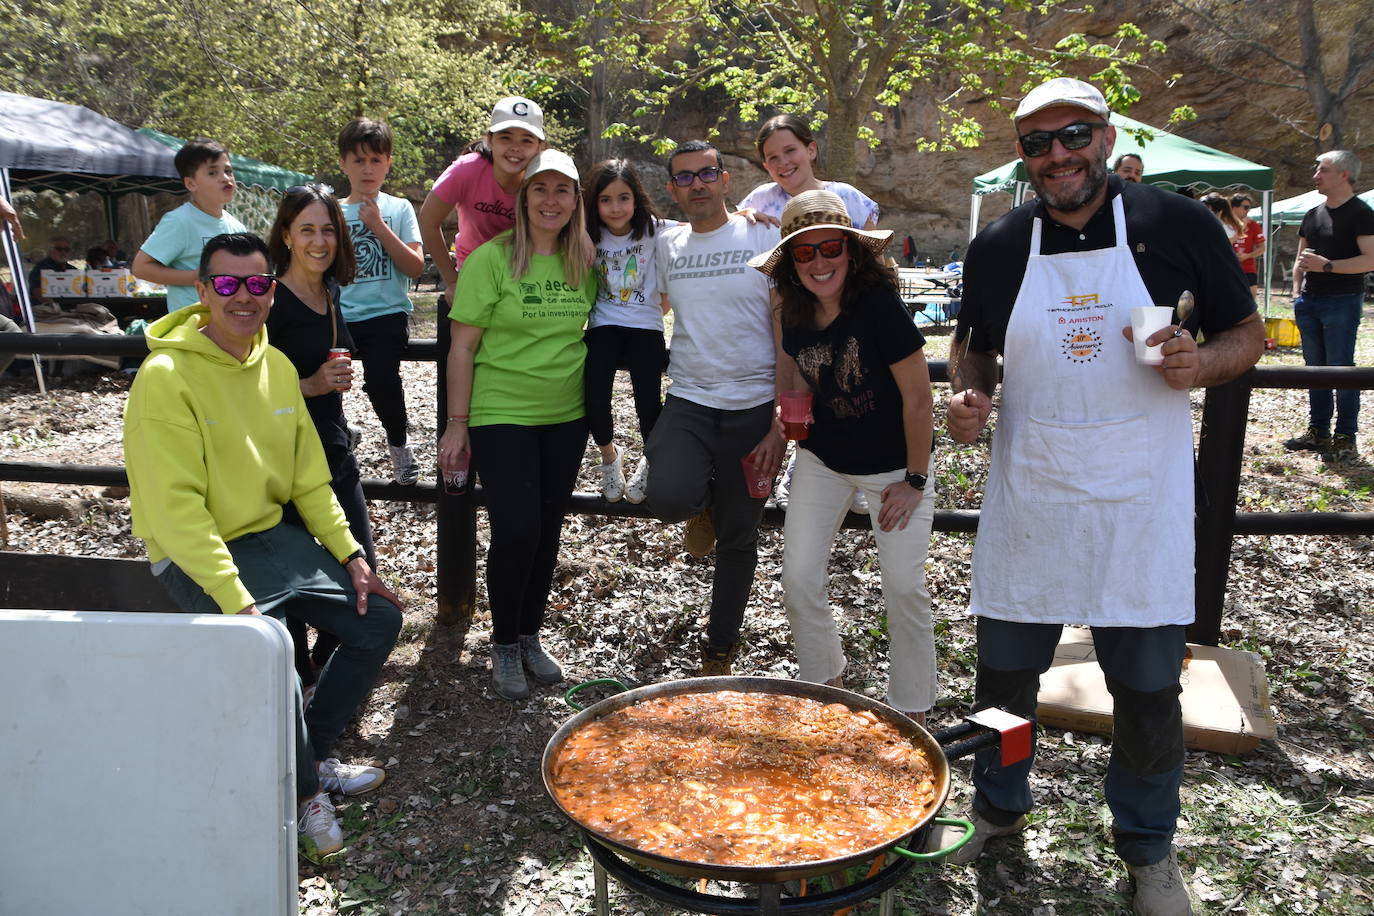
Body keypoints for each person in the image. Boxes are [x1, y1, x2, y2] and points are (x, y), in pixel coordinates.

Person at [930, 78, 1263, 916]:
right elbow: (975, 349)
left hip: (1137, 496)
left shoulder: (1176, 224)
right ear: (1022, 155)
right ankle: (999, 807)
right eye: (1037, 143)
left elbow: (1248, 333)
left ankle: (1148, 848)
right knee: (1004, 679)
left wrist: (1203, 364)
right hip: (1034, 489)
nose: (1057, 155)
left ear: (1106, 138)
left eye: (1073, 135)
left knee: (1149, 687)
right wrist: (968, 401)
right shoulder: (1001, 244)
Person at [123, 232, 403, 856]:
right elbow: (176, 511)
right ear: (200, 292)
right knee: (267, 650)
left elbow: (309, 479)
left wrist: (352, 556)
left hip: (270, 535)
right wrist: (235, 603)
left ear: (271, 293)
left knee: (377, 617)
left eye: (255, 284)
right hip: (196, 551)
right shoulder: (165, 377)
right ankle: (303, 795)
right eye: (225, 284)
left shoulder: (274, 365)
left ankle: (307, 762)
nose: (242, 296)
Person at [748, 190, 937, 723]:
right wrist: (778, 431)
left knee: (903, 588)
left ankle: (912, 710)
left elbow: (920, 398)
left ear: (852, 251)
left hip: (895, 467)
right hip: (823, 459)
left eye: (829, 248)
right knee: (799, 577)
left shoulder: (879, 307)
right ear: (790, 262)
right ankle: (824, 685)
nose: (819, 263)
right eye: (803, 253)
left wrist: (915, 479)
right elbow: (789, 368)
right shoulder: (792, 304)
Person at [436, 150, 595, 701]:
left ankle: (530, 635)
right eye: (540, 189)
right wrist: (457, 426)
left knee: (548, 528)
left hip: (566, 415)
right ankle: (503, 644)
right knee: (517, 528)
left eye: (563, 190)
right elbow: (462, 348)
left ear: (576, 201)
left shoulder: (584, 261)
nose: (551, 200)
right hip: (501, 413)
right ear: (523, 198)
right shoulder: (492, 260)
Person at [646, 140, 785, 676]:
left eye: (707, 174)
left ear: (727, 180)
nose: (697, 184)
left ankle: (719, 647)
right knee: (667, 497)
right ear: (673, 190)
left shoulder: (764, 232)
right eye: (685, 178)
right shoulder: (667, 245)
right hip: (689, 399)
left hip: (753, 407)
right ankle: (700, 498)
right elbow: (640, 304)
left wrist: (781, 416)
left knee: (738, 537)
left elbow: (784, 323)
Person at [265, 184, 377, 696]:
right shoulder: (267, 300)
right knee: (290, 572)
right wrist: (309, 383)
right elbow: (245, 381)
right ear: (286, 234)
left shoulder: (329, 295)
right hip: (279, 456)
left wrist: (332, 378)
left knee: (358, 561)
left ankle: (324, 668)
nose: (318, 240)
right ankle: (297, 683)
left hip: (331, 447)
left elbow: (337, 358)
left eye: (327, 229)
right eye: (307, 229)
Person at [738, 113, 878, 512]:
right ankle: (801, 460)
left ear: (811, 149)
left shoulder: (848, 197)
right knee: (796, 378)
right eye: (771, 157)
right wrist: (742, 217)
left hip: (844, 306)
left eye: (790, 150)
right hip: (789, 304)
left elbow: (871, 256)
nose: (782, 163)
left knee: (851, 382)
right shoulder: (759, 200)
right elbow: (733, 228)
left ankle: (859, 470)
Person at [336, 118, 426, 485]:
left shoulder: (399, 208)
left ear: (389, 163)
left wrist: (378, 226)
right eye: (359, 161)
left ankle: (399, 446)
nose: (368, 169)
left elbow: (415, 266)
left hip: (386, 314)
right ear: (343, 164)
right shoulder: (331, 211)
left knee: (381, 379)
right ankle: (341, 434)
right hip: (339, 315)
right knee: (321, 378)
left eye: (376, 160)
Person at [583, 159, 671, 504]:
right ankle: (609, 457)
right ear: (595, 203)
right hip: (604, 323)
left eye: (623, 198)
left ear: (636, 199)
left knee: (649, 405)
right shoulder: (588, 232)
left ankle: (649, 462)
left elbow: (704, 227)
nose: (615, 207)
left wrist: (742, 216)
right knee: (594, 399)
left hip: (645, 327)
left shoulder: (657, 229)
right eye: (606, 199)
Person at [1283, 150, 1374, 461]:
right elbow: (1301, 258)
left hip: (1342, 301)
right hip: (1308, 302)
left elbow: (1370, 260)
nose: (1315, 176)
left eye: (1323, 170)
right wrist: (1297, 292)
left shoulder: (1361, 214)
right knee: (1314, 370)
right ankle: (1318, 431)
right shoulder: (1311, 214)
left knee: (1341, 370)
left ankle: (1346, 437)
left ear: (1344, 175)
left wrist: (1328, 266)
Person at [418, 97, 546, 298]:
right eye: (506, 137)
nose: (515, 147)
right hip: (473, 274)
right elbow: (428, 220)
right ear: (490, 140)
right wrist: (452, 282)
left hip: (526, 277)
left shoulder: (545, 179)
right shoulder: (466, 170)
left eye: (527, 140)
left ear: (539, 147)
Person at [132, 138, 247, 311]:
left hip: (229, 324)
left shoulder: (237, 228)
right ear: (191, 184)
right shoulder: (179, 221)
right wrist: (197, 277)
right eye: (212, 173)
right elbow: (141, 268)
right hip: (190, 329)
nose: (225, 178)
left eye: (228, 171)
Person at [1230, 193, 1266, 296]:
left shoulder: (1253, 225)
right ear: (1234, 208)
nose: (1248, 210)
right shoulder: (1226, 224)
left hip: (1248, 269)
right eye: (1245, 207)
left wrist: (1248, 256)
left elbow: (1262, 248)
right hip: (1229, 268)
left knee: (1250, 301)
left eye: (1249, 208)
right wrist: (1242, 227)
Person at [27, 236, 74, 302]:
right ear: (50, 251)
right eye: (59, 249)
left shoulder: (73, 270)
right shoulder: (41, 269)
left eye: (66, 249)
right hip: (48, 309)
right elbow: (38, 293)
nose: (63, 252)